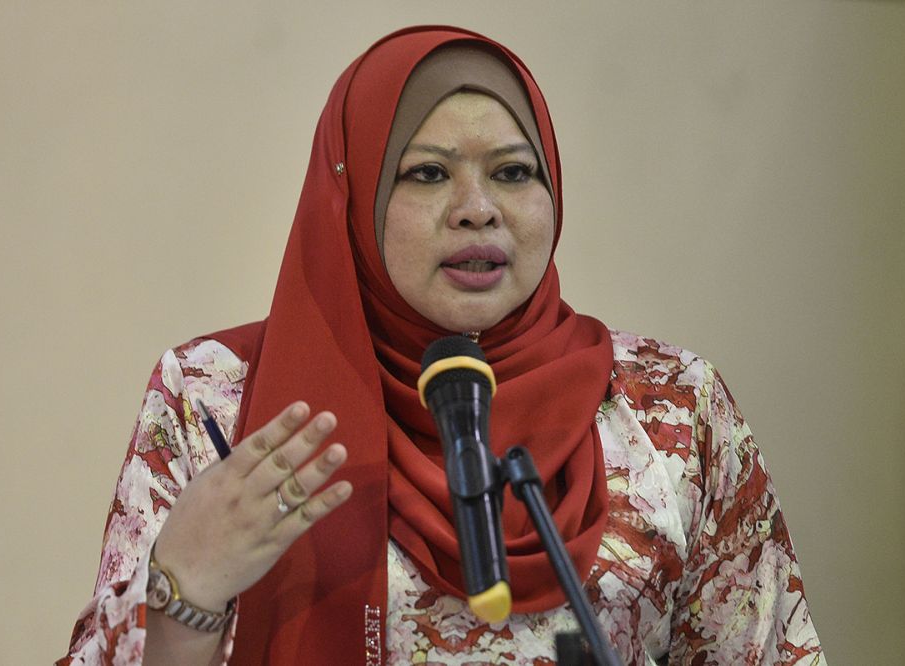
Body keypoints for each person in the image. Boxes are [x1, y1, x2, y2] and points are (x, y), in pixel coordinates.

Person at [59, 26, 824, 665]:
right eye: (427, 174)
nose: (477, 210)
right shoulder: (216, 402)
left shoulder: (671, 407)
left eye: (513, 172)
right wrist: (186, 592)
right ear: (351, 195)